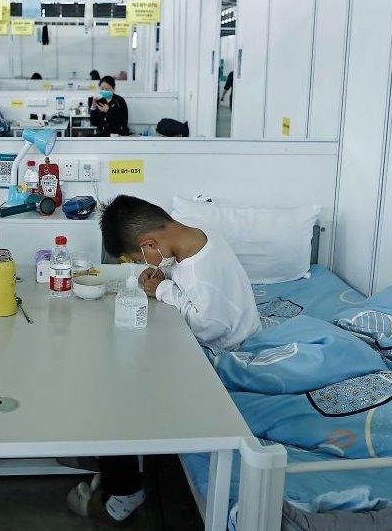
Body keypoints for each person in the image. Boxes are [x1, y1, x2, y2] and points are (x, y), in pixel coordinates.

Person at [66, 195, 261, 523]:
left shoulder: (199, 271)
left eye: (139, 256)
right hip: (217, 338)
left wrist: (163, 291)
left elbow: (207, 324)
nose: (145, 263)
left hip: (223, 354)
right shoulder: (200, 240)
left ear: (150, 244)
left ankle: (124, 492)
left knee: (117, 386)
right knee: (117, 357)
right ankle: (110, 464)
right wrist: (164, 282)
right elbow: (195, 294)